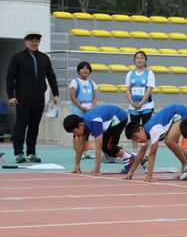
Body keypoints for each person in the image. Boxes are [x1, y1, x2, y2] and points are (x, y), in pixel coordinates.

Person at [6, 31, 60, 163]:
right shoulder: (17, 57)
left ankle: (31, 152)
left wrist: (56, 94)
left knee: (34, 126)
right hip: (22, 97)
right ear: (25, 41)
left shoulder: (44, 58)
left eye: (37, 41)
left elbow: (51, 76)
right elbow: (10, 77)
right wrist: (11, 96)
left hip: (38, 97)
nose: (34, 43)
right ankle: (19, 153)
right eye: (31, 41)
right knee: (21, 125)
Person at [124, 104, 187, 182]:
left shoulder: (153, 129)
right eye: (135, 140)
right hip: (176, 115)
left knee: (169, 141)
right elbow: (140, 155)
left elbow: (152, 153)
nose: (138, 140)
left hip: (182, 113)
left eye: (137, 137)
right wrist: (131, 172)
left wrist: (149, 175)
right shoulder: (145, 134)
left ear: (141, 129)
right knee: (173, 143)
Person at [62, 105, 135, 175]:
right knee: (108, 146)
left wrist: (97, 168)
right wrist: (76, 165)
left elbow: (98, 147)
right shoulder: (82, 124)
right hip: (109, 118)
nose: (75, 135)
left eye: (74, 132)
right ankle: (134, 156)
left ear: (80, 125)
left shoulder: (94, 121)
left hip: (119, 117)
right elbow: (80, 147)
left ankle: (129, 158)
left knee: (106, 146)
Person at [68, 61, 98, 159]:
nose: (85, 70)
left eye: (87, 68)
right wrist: (82, 108)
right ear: (78, 70)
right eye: (82, 68)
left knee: (86, 132)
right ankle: (78, 152)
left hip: (89, 112)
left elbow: (94, 97)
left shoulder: (92, 83)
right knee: (77, 133)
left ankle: (85, 152)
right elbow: (73, 97)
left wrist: (92, 108)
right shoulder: (74, 82)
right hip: (78, 111)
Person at [125, 50, 155, 126]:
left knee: (146, 129)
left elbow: (149, 89)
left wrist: (141, 103)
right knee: (134, 130)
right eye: (137, 58)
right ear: (134, 60)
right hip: (133, 106)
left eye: (142, 58)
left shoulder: (149, 73)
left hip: (146, 106)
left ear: (145, 60)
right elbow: (127, 89)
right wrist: (132, 103)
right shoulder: (130, 74)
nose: (139, 60)